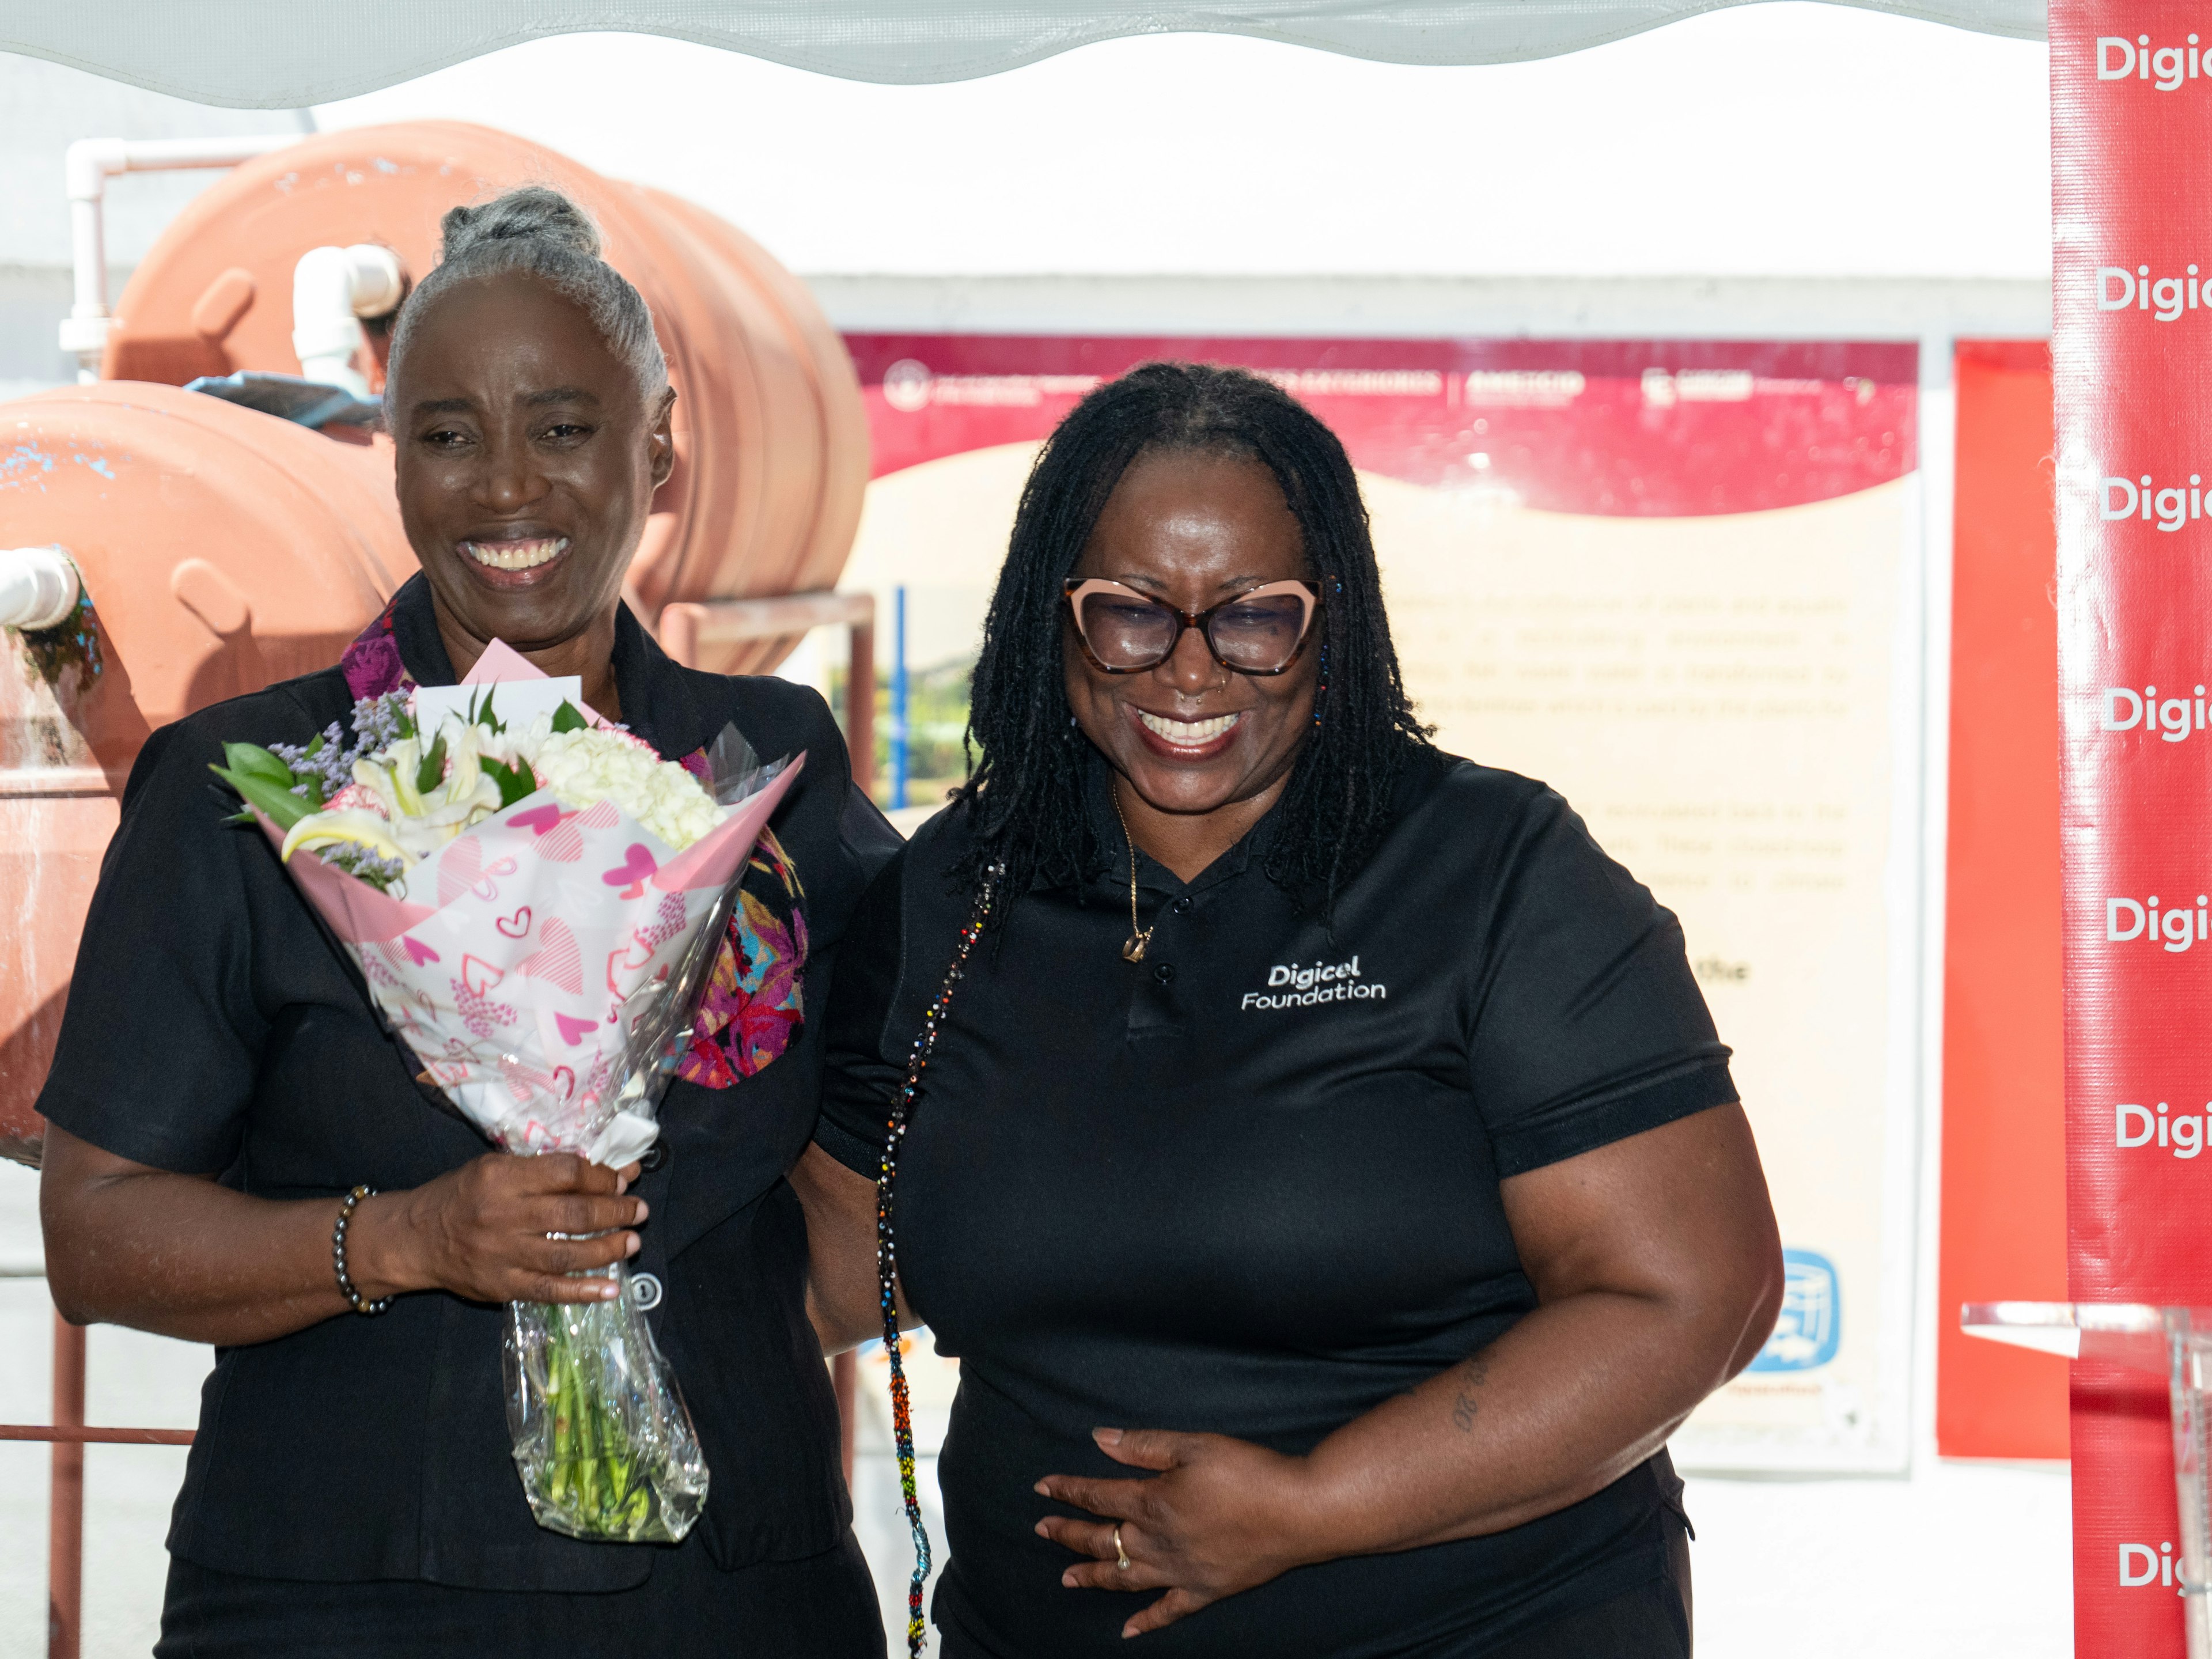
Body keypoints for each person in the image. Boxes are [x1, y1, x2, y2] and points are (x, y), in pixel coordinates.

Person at [794, 361, 1785, 1658]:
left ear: (1336, 621)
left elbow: (1694, 1297)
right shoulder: (950, 895)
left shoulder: (1490, 873)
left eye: (1255, 617)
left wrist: (1313, 1508)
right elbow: (829, 1276)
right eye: (1131, 614)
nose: (1192, 671)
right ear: (1056, 618)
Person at [37, 186, 896, 1656]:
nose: (507, 489)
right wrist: (408, 1240)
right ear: (393, 457)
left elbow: (873, 1188)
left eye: (565, 429)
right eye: (446, 435)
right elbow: (98, 1240)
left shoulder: (776, 775)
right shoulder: (246, 794)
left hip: (730, 1591)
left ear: (659, 445)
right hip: (337, 1595)